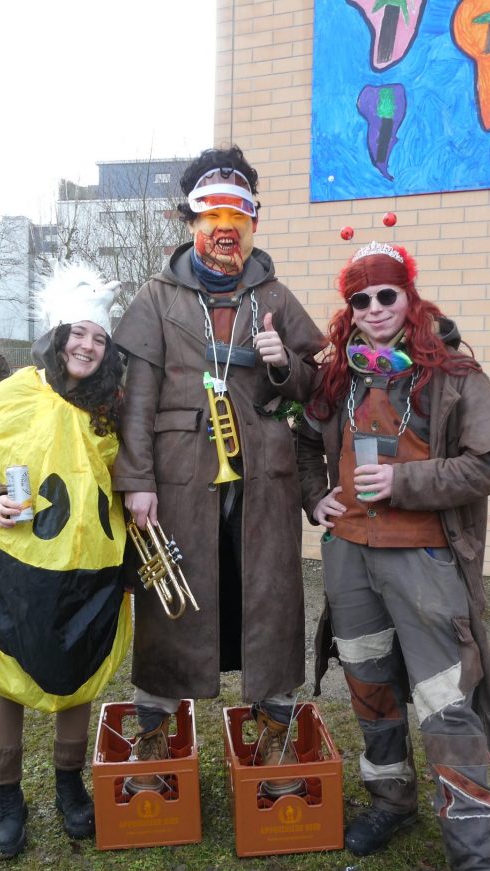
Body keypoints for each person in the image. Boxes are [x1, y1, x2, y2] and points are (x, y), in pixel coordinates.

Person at [295, 242, 490, 871]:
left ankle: (478, 868)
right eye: (359, 299)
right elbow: (303, 439)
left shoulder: (452, 373)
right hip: (349, 558)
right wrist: (315, 496)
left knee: (446, 702)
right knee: (369, 685)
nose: (373, 308)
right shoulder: (337, 377)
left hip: (424, 559)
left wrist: (405, 482)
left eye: (386, 295)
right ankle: (391, 803)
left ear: (409, 297)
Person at [112, 145, 325, 790]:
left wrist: (285, 362)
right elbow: (137, 402)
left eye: (238, 215)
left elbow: (314, 387)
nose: (225, 228)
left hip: (264, 479)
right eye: (213, 215)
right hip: (178, 480)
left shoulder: (276, 296)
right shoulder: (156, 297)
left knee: (271, 596)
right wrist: (137, 482)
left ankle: (275, 735)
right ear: (191, 220)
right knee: (169, 600)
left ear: (254, 222)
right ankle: (154, 738)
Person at [0, 262, 129, 858]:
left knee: (77, 666)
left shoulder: (112, 407)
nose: (88, 346)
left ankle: (68, 784)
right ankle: (7, 796)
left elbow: (125, 478)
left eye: (99, 338)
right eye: (79, 333)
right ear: (57, 335)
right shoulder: (9, 394)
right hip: (17, 563)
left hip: (90, 564)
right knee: (10, 669)